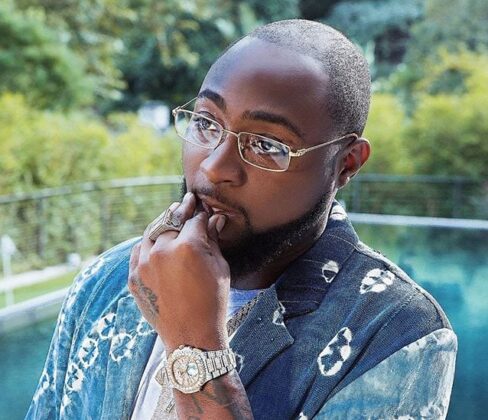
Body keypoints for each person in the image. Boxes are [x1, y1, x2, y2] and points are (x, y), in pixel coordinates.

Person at [26, 19, 457, 419]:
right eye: (206, 123)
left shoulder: (396, 332)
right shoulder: (109, 279)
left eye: (267, 145)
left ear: (346, 163)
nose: (214, 167)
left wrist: (196, 346)